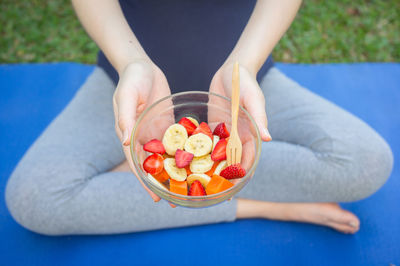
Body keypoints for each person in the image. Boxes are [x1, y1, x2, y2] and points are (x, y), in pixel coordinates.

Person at [5, 0, 393, 235]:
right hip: (129, 87)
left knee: (367, 162)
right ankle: (263, 205)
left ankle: (151, 178)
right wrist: (131, 64)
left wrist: (244, 64)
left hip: (241, 84)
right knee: (32, 199)